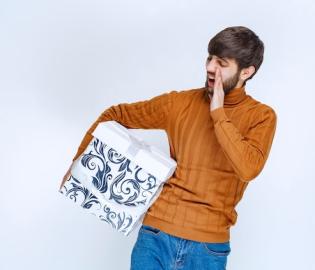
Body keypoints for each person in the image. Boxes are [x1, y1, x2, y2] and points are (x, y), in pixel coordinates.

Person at [60, 26, 277, 270]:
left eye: (222, 63)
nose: (209, 67)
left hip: (208, 248)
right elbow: (115, 114)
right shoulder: (179, 103)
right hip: (156, 235)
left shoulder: (261, 117)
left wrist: (218, 112)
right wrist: (79, 161)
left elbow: (248, 168)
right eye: (209, 58)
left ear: (246, 72)